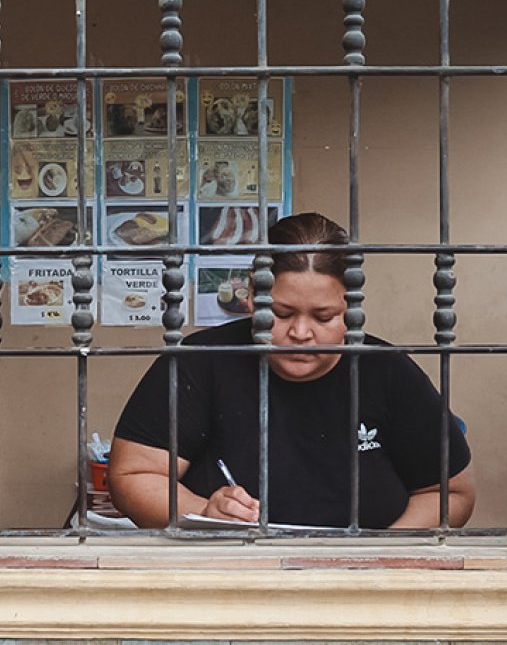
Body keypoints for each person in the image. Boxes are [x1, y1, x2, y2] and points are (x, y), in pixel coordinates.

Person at [109, 213, 475, 529]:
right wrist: (203, 512)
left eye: (323, 317)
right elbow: (134, 476)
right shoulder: (200, 362)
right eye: (281, 314)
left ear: (351, 307)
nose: (300, 334)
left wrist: (383, 555)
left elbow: (451, 492)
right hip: (230, 582)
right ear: (252, 295)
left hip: (363, 590)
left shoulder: (388, 372)